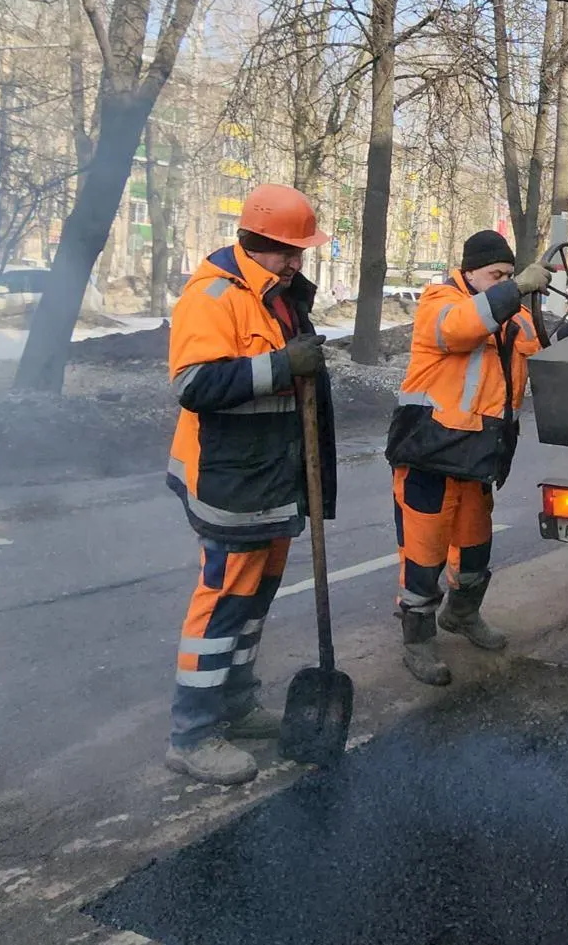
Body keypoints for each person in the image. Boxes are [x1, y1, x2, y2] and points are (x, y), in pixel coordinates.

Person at [163, 184, 336, 785]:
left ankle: (234, 703)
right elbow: (194, 386)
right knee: (222, 608)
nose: (298, 263)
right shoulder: (214, 296)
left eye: (300, 253)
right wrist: (283, 366)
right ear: (257, 243)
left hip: (272, 479)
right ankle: (193, 734)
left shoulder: (276, 295)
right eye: (290, 252)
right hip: (230, 481)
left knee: (254, 602)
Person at [385, 230, 550, 685]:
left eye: (508, 274)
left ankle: (461, 614)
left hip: (477, 457)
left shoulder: (510, 315)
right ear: (469, 271)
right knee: (423, 556)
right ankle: (417, 640)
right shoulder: (441, 302)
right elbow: (459, 328)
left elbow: (543, 350)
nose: (503, 280)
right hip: (429, 455)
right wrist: (514, 289)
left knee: (475, 548)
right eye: (495, 274)